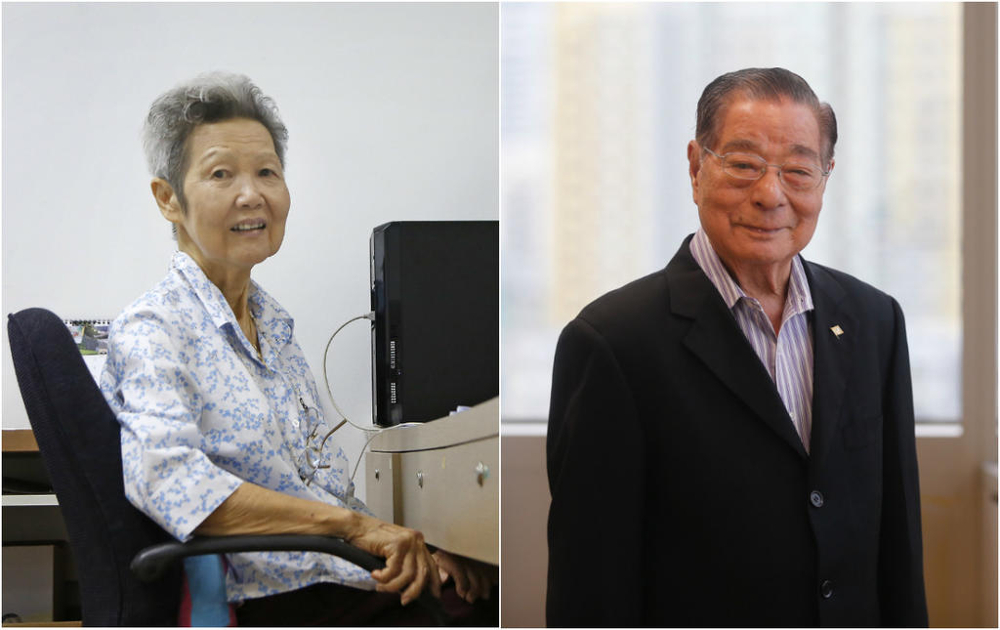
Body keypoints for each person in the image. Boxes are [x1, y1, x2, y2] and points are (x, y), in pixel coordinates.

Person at [100, 72, 495, 626]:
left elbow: (324, 486)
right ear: (168, 198)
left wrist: (415, 551)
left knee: (489, 581)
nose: (251, 193)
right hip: (276, 600)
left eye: (267, 172)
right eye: (221, 174)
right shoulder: (153, 328)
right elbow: (170, 482)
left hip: (337, 576)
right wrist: (356, 529)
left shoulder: (275, 327)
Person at [546, 67, 928, 627]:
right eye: (744, 165)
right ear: (697, 168)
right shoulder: (611, 342)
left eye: (798, 170)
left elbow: (898, 539)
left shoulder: (874, 321)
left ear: (825, 179)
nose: (771, 195)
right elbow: (591, 582)